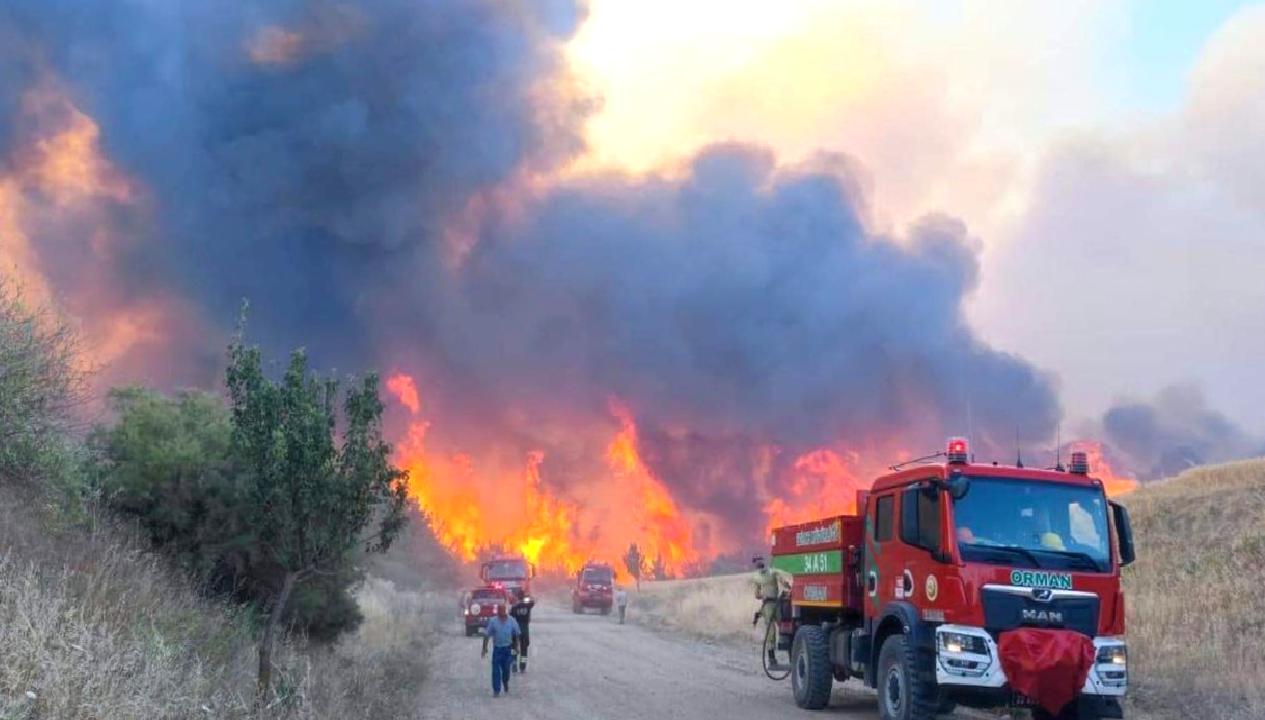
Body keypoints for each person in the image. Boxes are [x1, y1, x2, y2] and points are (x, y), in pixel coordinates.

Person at [749, 555, 792, 667]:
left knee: (785, 629)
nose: (759, 563)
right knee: (771, 632)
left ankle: (792, 657)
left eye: (760, 560)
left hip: (777, 603)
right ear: (755, 564)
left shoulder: (773, 572)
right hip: (767, 606)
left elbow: (783, 582)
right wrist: (762, 595)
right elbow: (756, 594)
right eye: (757, 561)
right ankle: (772, 659)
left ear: (764, 562)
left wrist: (789, 588)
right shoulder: (756, 578)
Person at [481, 602, 520, 697]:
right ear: (497, 611)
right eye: (499, 610)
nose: (501, 611)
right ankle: (496, 690)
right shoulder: (493, 621)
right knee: (495, 670)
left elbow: (517, 634)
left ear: (505, 610)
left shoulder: (511, 620)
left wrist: (517, 647)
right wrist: (484, 648)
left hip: (508, 649)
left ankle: (505, 682)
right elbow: (487, 635)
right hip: (497, 649)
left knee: (506, 669)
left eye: (502, 609)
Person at [508, 589, 534, 673]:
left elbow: (510, 618)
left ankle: (514, 663)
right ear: (523, 596)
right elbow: (533, 601)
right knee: (524, 649)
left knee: (513, 648)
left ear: (517, 597)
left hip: (516, 629)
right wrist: (528, 596)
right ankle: (522, 666)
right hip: (525, 629)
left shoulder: (514, 607)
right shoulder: (528, 605)